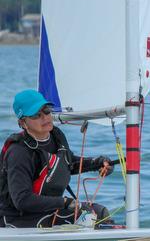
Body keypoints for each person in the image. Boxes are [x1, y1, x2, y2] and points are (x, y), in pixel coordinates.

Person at [0, 89, 114, 228]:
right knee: (96, 215)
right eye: (36, 115)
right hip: (20, 220)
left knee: (97, 213)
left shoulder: (55, 135)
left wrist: (98, 163)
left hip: (48, 212)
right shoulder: (19, 152)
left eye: (47, 110)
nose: (45, 117)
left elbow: (68, 162)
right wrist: (64, 202)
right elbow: (22, 200)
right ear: (23, 123)